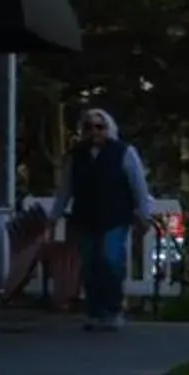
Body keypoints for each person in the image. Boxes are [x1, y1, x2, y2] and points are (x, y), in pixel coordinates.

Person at [53, 108, 156, 331]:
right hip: (85, 217)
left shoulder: (124, 152)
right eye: (89, 127)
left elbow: (138, 186)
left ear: (108, 128)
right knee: (90, 265)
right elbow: (65, 189)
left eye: (100, 127)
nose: (94, 132)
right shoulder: (75, 155)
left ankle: (113, 309)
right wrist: (54, 215)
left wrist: (144, 215)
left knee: (110, 260)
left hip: (115, 216)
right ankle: (94, 311)